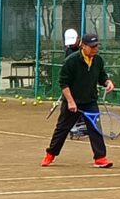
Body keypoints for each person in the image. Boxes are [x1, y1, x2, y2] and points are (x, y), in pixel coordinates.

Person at [43, 32, 115, 168]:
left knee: (95, 129)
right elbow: (63, 83)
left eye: (96, 46)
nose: (95, 49)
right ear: (83, 46)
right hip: (72, 101)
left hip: (90, 101)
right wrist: (70, 101)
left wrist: (108, 82)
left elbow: (102, 77)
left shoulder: (98, 60)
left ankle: (100, 158)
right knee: (62, 129)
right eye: (92, 46)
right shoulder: (71, 61)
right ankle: (50, 154)